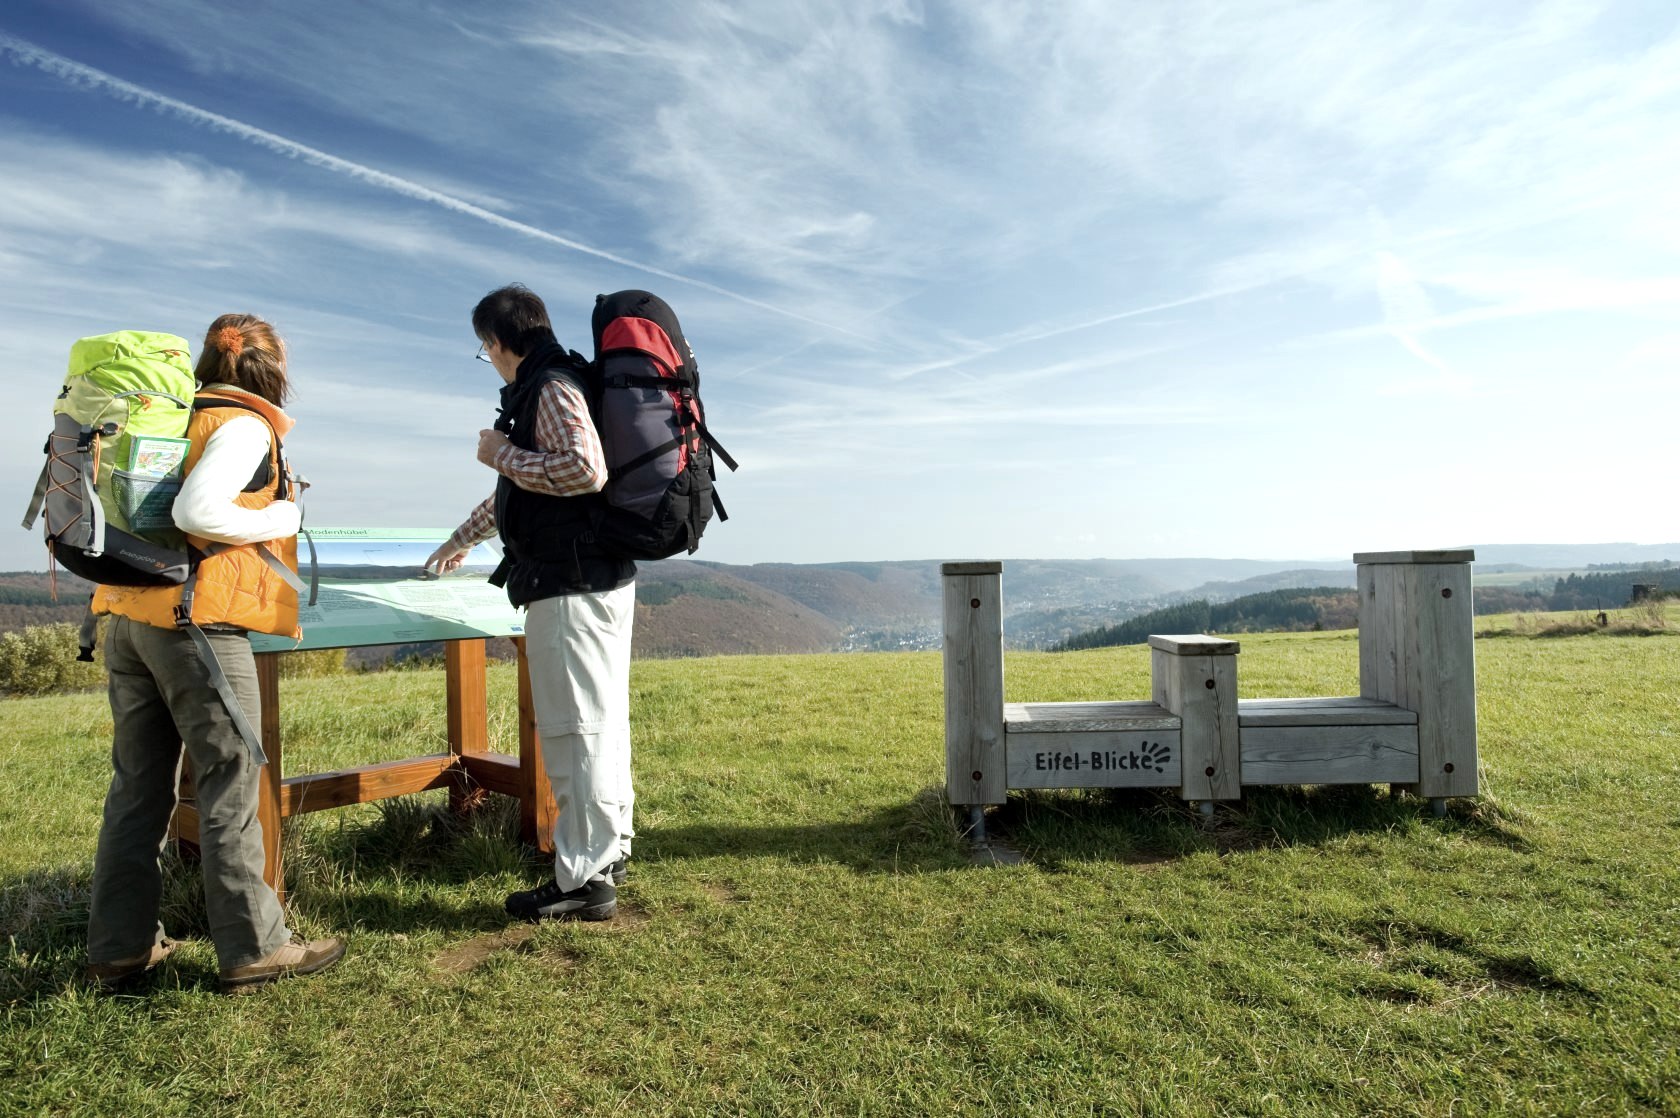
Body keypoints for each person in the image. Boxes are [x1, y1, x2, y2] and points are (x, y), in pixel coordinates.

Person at [85, 314, 345, 990]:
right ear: (273, 368)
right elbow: (196, 513)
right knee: (229, 783)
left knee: (138, 790)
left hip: (132, 620)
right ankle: (255, 947)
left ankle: (119, 947)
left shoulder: (176, 417)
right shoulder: (243, 424)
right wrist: (282, 515)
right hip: (198, 629)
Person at [425, 284, 633, 923]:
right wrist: (461, 540)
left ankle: (584, 878)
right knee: (598, 721)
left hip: (570, 585)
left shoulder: (549, 387)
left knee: (575, 730)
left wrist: (501, 453)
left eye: (483, 348)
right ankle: (608, 852)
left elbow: (582, 470)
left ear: (496, 342)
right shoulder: (558, 379)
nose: (487, 359)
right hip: (592, 579)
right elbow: (522, 493)